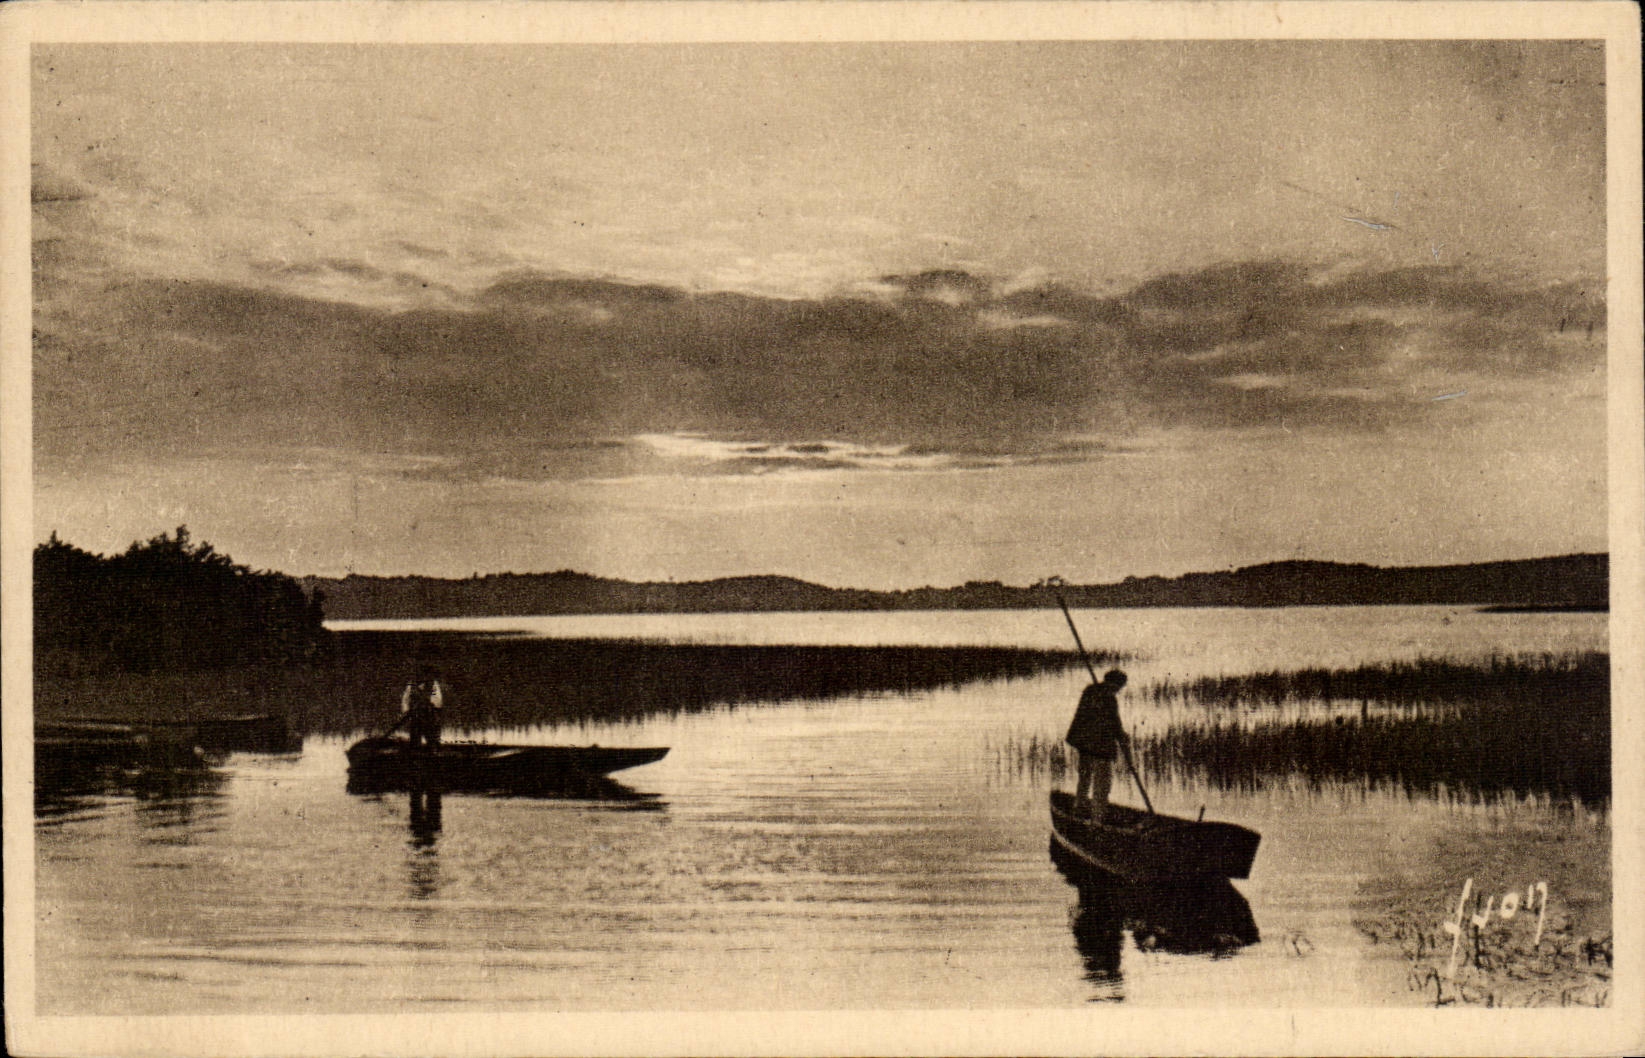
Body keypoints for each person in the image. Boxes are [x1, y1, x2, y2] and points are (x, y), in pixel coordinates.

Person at [1066, 669, 1129, 819]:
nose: (1119, 690)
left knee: (1085, 779)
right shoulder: (1108, 698)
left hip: (1084, 745)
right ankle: (1097, 819)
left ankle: (1079, 808)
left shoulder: (1091, 691)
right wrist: (1122, 737)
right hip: (1099, 747)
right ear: (1114, 684)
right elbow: (1114, 724)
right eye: (1119, 687)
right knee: (1102, 785)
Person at [400, 668, 445, 748]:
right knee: (415, 733)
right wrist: (406, 709)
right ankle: (415, 749)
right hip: (415, 714)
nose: (422, 677)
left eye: (424, 674)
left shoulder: (433, 684)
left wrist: (431, 704)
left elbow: (438, 699)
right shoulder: (411, 684)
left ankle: (432, 748)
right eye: (419, 674)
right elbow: (406, 698)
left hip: (428, 714)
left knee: (431, 734)